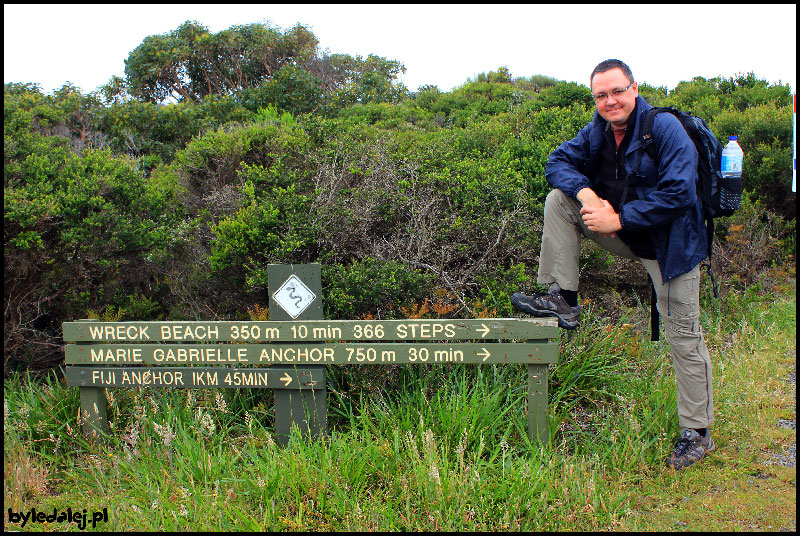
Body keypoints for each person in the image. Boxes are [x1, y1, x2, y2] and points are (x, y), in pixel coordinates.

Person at [511, 59, 715, 470]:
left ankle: (697, 432)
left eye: (617, 91)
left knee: (683, 336)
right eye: (601, 95)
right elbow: (556, 163)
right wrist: (586, 194)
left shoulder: (665, 129)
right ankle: (562, 297)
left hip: (670, 245)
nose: (610, 101)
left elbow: (679, 194)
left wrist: (619, 218)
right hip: (621, 232)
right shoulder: (599, 131)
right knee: (560, 200)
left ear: (634, 88)